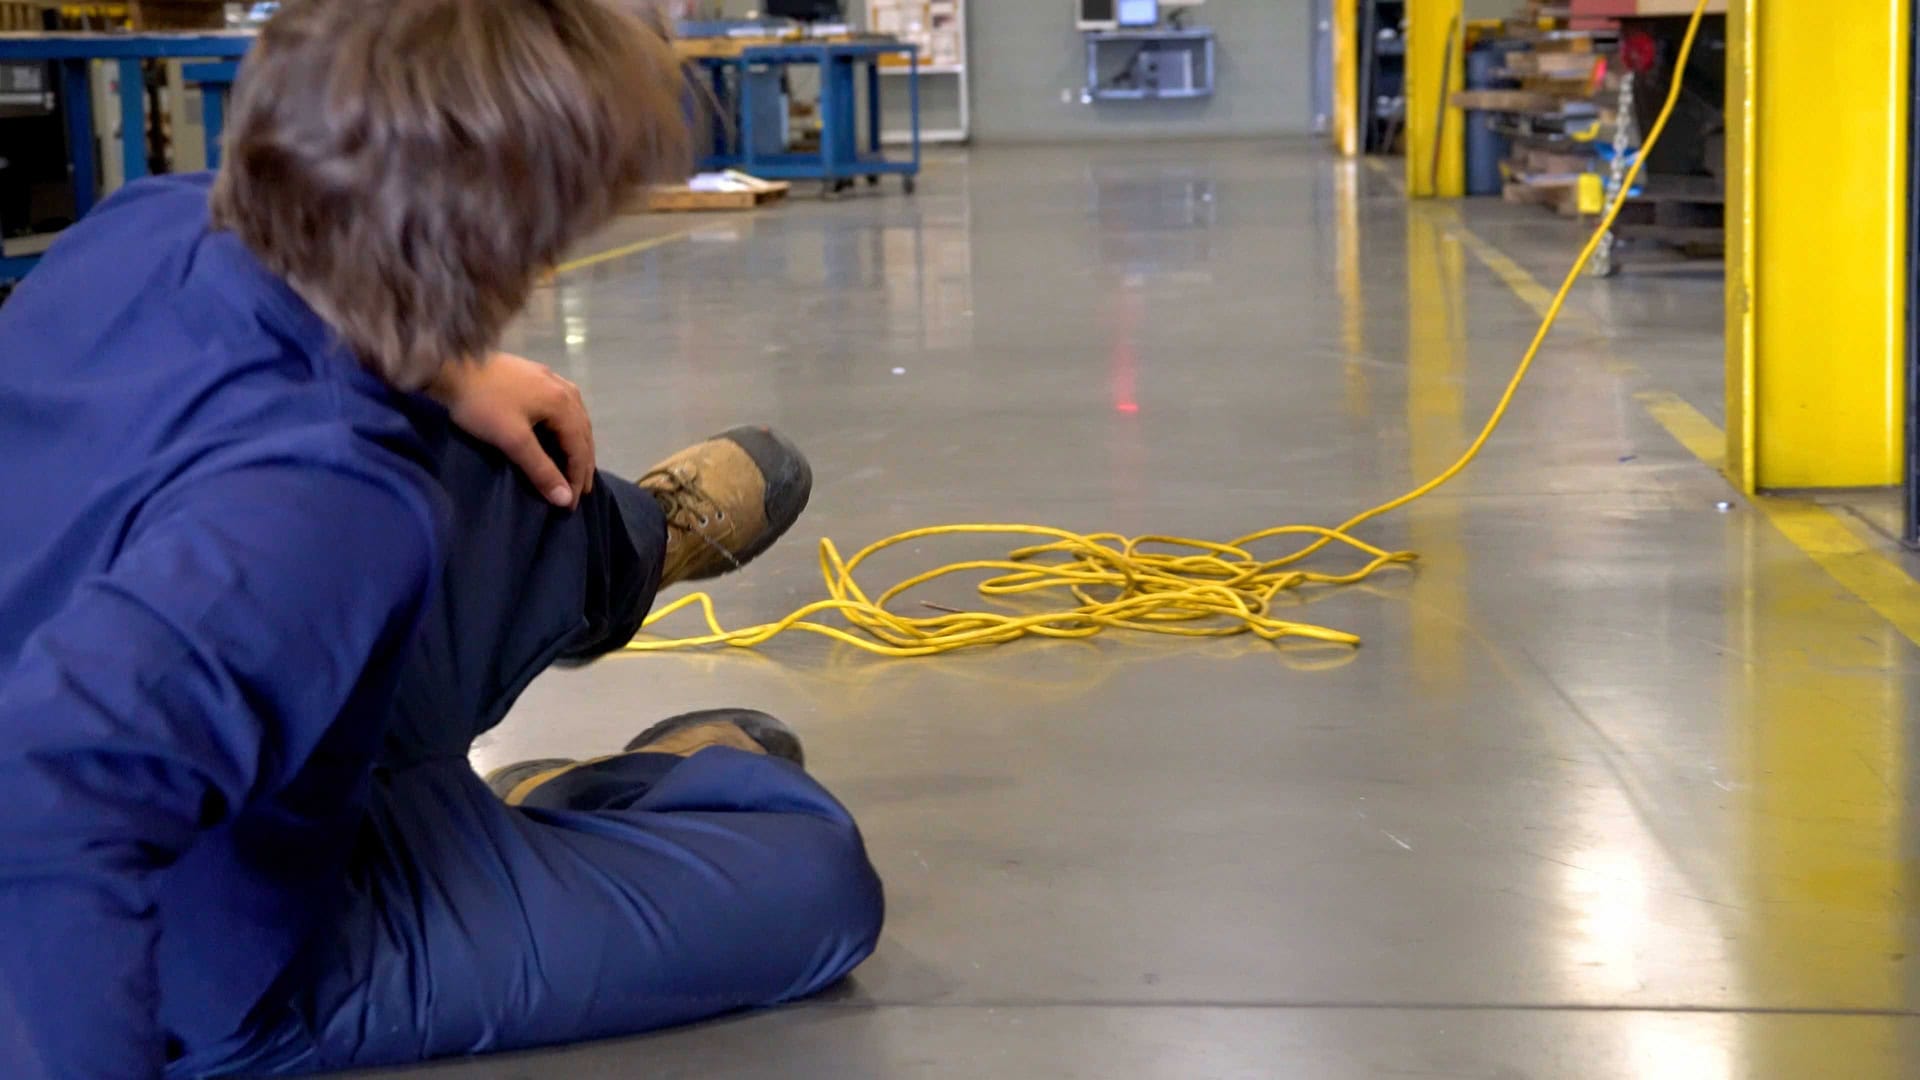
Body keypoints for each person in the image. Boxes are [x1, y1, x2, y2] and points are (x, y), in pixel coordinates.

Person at [0, 1, 884, 1076]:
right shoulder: (322, 503)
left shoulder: (148, 222)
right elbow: (42, 804)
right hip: (224, 961)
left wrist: (442, 362)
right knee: (812, 882)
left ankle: (624, 553)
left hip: (228, 730)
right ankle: (554, 805)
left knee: (473, 444)